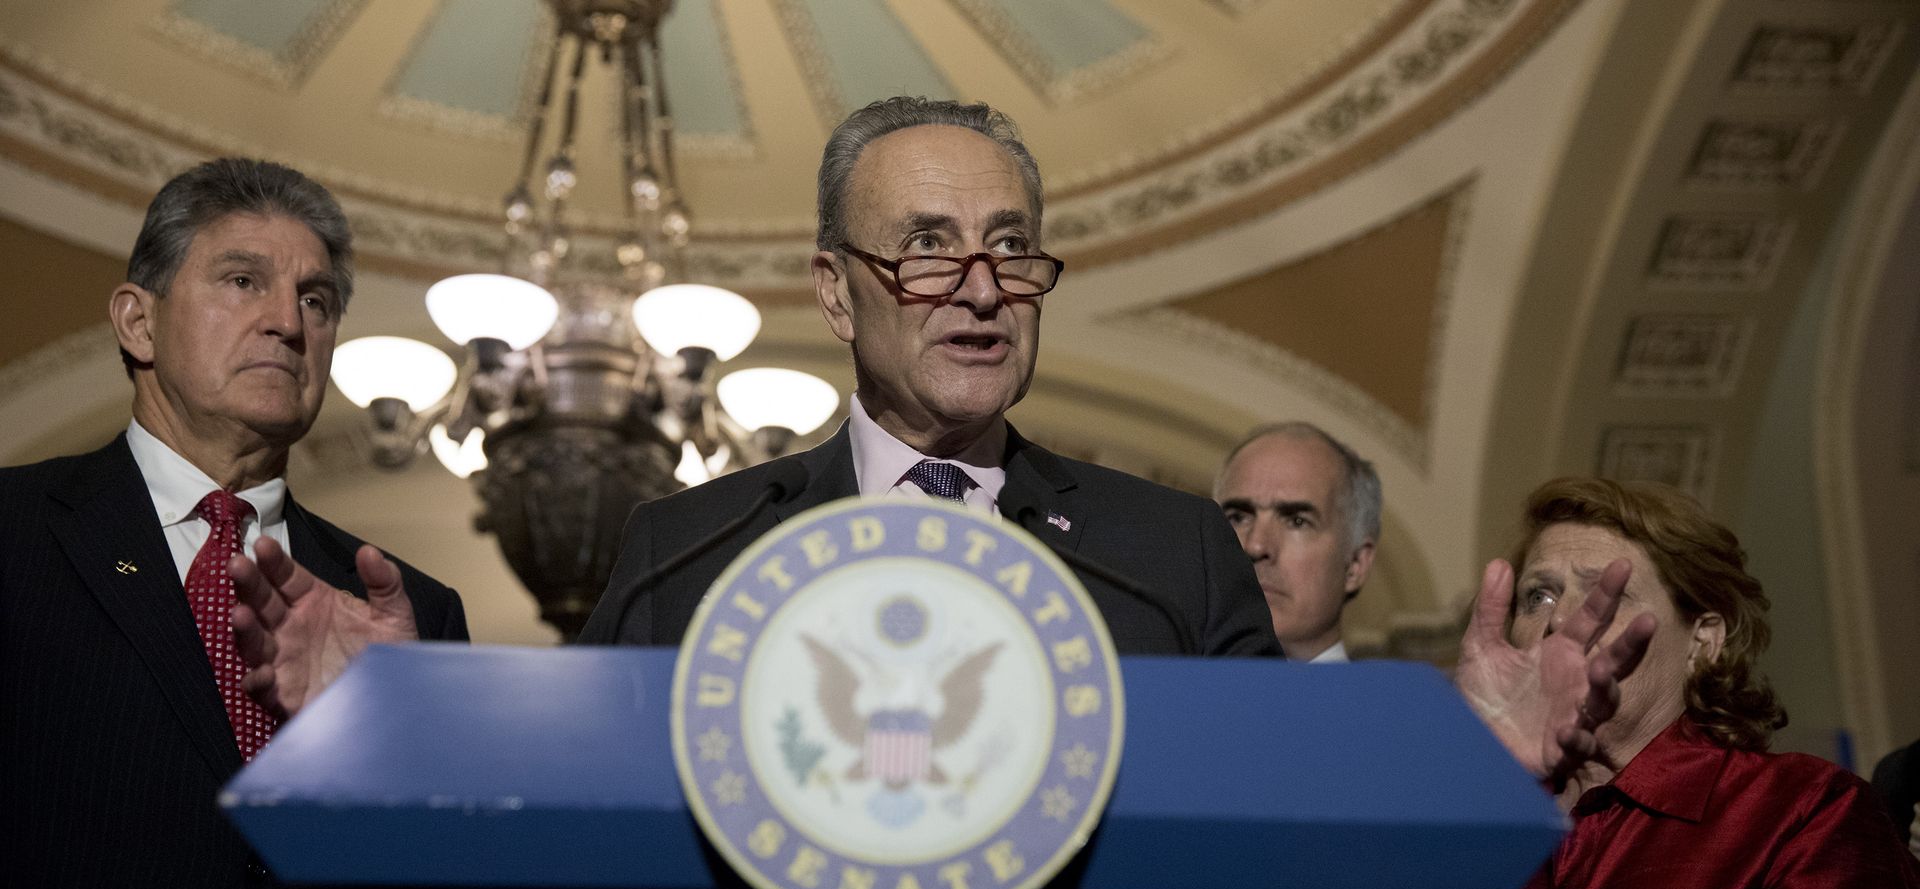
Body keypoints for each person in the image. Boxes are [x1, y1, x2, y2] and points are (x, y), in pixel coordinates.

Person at [230, 98, 1649, 800]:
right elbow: (573, 818)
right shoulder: (688, 548)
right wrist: (389, 734)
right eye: (925, 249)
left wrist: (1472, 766)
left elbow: (1289, 823)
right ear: (836, 290)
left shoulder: (1171, 555)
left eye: (1010, 249)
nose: (980, 289)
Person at [0, 159, 471, 889]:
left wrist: (391, 749)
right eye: (244, 281)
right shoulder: (15, 537)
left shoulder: (409, 609)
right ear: (137, 322)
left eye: (316, 300)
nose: (288, 322)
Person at [1349, 477, 1920, 889]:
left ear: (1703, 641)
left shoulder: (1801, 812)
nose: (1561, 621)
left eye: (1608, 593)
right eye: (1537, 596)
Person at [1215, 422, 1379, 661]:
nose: (1255, 546)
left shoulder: (1406, 687)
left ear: (1356, 565)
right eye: (1237, 518)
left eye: (1297, 522)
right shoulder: (1162, 682)